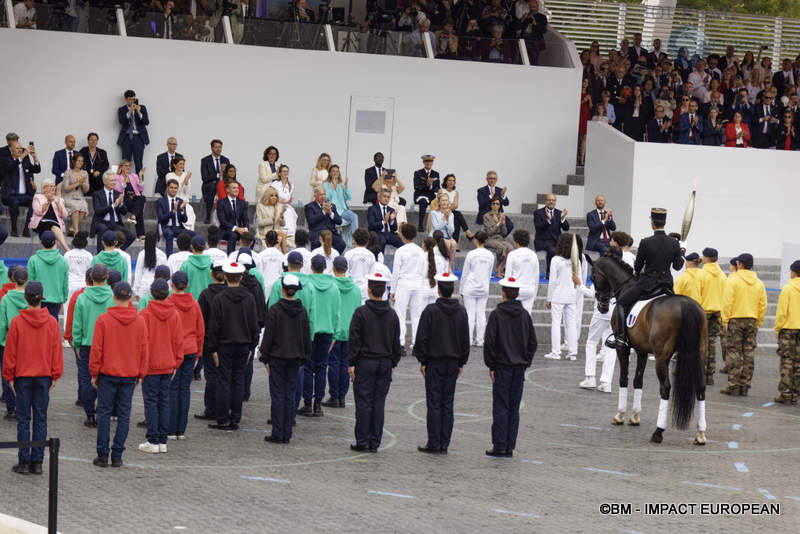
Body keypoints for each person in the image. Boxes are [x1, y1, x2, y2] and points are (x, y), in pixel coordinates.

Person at [4, 281, 62, 475]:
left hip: (22, 376)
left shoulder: (17, 323)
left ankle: (24, 460)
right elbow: (56, 350)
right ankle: (37, 462)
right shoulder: (52, 322)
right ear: (42, 298)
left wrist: (8, 376)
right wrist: (55, 374)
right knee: (40, 418)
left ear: (26, 298)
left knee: (23, 419)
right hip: (44, 375)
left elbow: (10, 353)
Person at [89, 281, 148, 468]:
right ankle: (117, 455)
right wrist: (141, 373)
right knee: (124, 415)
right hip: (129, 373)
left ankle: (103, 454)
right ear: (130, 298)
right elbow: (144, 350)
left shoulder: (104, 320)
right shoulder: (139, 321)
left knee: (104, 414)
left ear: (113, 296)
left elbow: (97, 349)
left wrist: (94, 372)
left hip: (108, 373)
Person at [607, 208, 684, 350]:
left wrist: (636, 272)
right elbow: (678, 266)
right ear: (665, 222)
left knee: (621, 304)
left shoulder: (646, 242)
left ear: (652, 224)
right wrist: (681, 253)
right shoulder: (674, 243)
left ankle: (621, 337)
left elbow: (638, 266)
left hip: (648, 285)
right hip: (666, 285)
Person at [414, 272, 469, 454]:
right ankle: (444, 441)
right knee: (447, 403)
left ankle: (434, 441)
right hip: (453, 363)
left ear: (438, 290)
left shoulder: (431, 311)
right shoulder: (461, 311)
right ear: (452, 289)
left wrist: (423, 360)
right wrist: (461, 362)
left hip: (434, 362)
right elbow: (464, 339)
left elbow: (421, 338)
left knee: (434, 402)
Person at [348, 272, 402, 452]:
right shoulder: (392, 315)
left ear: (369, 290)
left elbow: (354, 340)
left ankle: (362, 440)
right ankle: (374, 441)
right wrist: (393, 362)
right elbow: (396, 341)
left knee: (363, 402)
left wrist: (351, 362)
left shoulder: (361, 313)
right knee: (379, 403)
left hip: (365, 362)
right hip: (384, 362)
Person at [484, 276, 537, 458]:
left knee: (500, 406)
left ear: (503, 293)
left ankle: (499, 445)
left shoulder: (496, 315)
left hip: (502, 367)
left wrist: (491, 365)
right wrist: (525, 362)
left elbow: (490, 342)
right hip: (518, 368)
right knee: (514, 408)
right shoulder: (524, 315)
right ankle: (509, 445)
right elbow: (533, 342)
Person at [206, 261, 259, 431]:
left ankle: (222, 417)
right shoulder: (249, 298)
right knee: (238, 381)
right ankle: (235, 417)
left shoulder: (219, 299)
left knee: (224, 381)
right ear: (241, 277)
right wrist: (252, 345)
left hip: (225, 345)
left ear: (226, 277)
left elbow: (215, 326)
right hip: (243, 345)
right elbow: (253, 324)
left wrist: (212, 348)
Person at [259, 274, 311, 444]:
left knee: (278, 395)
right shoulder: (302, 311)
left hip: (277, 357)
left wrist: (264, 357)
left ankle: (277, 431)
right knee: (290, 395)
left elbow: (269, 336)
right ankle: (287, 432)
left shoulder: (275, 310)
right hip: (295, 358)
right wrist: (304, 358)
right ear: (296, 291)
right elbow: (305, 336)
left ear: (282, 289)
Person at [138, 278, 182, 454]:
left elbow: (140, 343)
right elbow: (178, 341)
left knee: (151, 402)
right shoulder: (175, 314)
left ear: (151, 292)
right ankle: (162, 440)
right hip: (168, 363)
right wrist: (176, 363)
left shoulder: (145, 315)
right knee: (164, 401)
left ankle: (152, 439)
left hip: (150, 364)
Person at [72, 264, 115, 427]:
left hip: (87, 343)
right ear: (107, 278)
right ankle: (103, 412)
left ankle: (90, 414)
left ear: (90, 278)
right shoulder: (112, 297)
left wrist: (76, 343)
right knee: (105, 380)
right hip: (108, 344)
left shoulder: (82, 298)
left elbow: (77, 324)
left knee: (86, 378)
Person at [298, 255, 340, 417]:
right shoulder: (334, 287)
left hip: (310, 330)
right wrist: (335, 334)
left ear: (311, 267)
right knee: (322, 367)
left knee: (308, 367)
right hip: (328, 330)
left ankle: (307, 402)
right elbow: (337, 313)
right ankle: (318, 404)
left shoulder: (307, 285)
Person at [720, 253, 767, 396]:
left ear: (740, 264)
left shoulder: (732, 281)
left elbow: (727, 302)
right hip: (752, 320)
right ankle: (745, 385)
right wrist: (758, 322)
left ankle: (733, 384)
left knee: (734, 351)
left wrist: (725, 320)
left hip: (735, 320)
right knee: (749, 353)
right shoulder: (759, 283)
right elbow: (762, 305)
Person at [166, 271, 204, 439]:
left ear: (171, 284)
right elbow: (200, 330)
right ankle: (181, 428)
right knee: (184, 389)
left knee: (173, 389)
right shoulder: (195, 304)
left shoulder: (168, 303)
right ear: (187, 285)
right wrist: (198, 354)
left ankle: (171, 428)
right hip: (190, 349)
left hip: (174, 350)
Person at [575, 248, 616, 392]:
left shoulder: (602, 272)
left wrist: (579, 284)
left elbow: (592, 293)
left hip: (601, 309)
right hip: (616, 310)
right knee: (612, 346)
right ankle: (606, 382)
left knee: (592, 342)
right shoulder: (621, 273)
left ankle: (590, 377)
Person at [323, 257, 361, 409]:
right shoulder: (356, 289)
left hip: (335, 329)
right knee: (346, 364)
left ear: (333, 268)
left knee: (333, 364)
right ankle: (342, 396)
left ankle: (334, 395)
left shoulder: (331, 286)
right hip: (350, 331)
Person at [193, 261, 226, 422]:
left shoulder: (206, 294)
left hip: (209, 339)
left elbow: (200, 320)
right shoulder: (229, 293)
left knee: (211, 375)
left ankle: (211, 408)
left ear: (211, 274)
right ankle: (224, 407)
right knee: (225, 375)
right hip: (226, 340)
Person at [0, 267, 31, 422]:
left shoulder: (5, 298)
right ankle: (23, 407)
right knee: (23, 375)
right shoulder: (30, 298)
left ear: (11, 279)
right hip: (26, 343)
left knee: (7, 374)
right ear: (26, 280)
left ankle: (11, 408)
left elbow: (2, 323)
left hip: (7, 341)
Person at [390, 224, 426, 348]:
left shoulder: (400, 251)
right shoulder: (420, 251)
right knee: (416, 315)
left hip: (403, 284)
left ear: (402, 235)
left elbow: (395, 272)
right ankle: (416, 343)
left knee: (400, 314)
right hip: (417, 284)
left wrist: (392, 290)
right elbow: (424, 270)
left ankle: (400, 343)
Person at [545, 234, 578, 361]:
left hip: (558, 295)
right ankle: (572, 352)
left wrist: (549, 299)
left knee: (556, 323)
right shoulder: (576, 261)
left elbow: (552, 282)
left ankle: (556, 352)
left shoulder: (556, 260)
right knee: (571, 324)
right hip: (572, 295)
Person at [698, 247, 727, 385]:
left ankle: (701, 373)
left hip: (704, 311)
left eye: (703, 257)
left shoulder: (702, 274)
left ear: (707, 258)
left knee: (701, 343)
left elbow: (698, 294)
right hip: (718, 312)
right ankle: (710, 374)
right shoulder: (722, 274)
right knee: (711, 342)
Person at [461, 231, 494, 347]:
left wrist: (461, 289)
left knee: (470, 314)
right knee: (481, 313)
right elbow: (490, 273)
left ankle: (468, 339)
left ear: (475, 240)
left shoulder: (471, 254)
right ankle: (480, 340)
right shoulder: (490, 255)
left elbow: (465, 273)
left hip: (470, 287)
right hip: (483, 287)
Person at [27, 230, 69, 321]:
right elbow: (65, 282)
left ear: (41, 242)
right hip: (56, 300)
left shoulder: (33, 260)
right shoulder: (62, 261)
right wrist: (63, 298)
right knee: (52, 330)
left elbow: (30, 282)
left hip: (37, 299)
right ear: (56, 242)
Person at [774, 260, 800, 404]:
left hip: (789, 329)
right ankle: (796, 393)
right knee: (798, 363)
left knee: (787, 363)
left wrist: (778, 328)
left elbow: (782, 312)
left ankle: (786, 393)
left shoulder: (788, 288)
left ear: (794, 272)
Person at [1, 141, 38, 237]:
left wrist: (34, 157)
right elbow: (11, 167)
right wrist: (23, 155)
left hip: (23, 195)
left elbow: (37, 169)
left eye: (21, 148)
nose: (20, 150)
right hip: (10, 195)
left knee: (33, 203)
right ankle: (14, 229)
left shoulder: (25, 161)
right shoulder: (5, 160)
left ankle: (26, 229)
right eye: (17, 148)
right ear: (11, 150)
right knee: (15, 202)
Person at [91, 172, 134, 253]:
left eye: (115, 180)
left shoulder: (118, 194)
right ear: (104, 181)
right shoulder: (97, 194)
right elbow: (98, 211)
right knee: (103, 229)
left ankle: (114, 252)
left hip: (115, 223)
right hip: (102, 222)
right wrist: (113, 206)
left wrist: (120, 204)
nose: (114, 182)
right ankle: (100, 255)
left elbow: (124, 212)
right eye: (111, 180)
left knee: (131, 236)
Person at [533, 193, 569, 278]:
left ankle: (564, 274)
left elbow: (566, 228)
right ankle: (549, 272)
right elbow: (538, 228)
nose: (551, 202)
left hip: (557, 241)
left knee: (569, 249)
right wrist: (548, 220)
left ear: (555, 202)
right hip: (543, 240)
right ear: (546, 201)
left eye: (553, 200)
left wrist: (563, 218)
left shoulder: (559, 213)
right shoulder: (538, 213)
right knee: (552, 250)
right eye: (549, 200)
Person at [504, 230, 539, 315]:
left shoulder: (512, 254)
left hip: (516, 290)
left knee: (513, 316)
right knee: (527, 317)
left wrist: (505, 292)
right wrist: (535, 293)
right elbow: (536, 276)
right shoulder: (533, 254)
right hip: (529, 289)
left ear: (516, 242)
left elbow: (508, 275)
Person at [29, 179, 70, 250]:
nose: (53, 188)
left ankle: (53, 256)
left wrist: (58, 204)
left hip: (55, 222)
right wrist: (48, 201)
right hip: (41, 222)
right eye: (50, 186)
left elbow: (64, 215)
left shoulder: (59, 199)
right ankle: (66, 249)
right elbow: (38, 211)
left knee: (53, 229)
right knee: (54, 227)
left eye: (54, 186)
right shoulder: (38, 197)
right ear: (44, 188)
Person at [157, 179, 193, 257]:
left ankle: (191, 258)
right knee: (169, 234)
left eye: (175, 188)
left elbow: (185, 219)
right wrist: (172, 212)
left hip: (178, 228)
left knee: (194, 235)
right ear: (167, 188)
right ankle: (169, 259)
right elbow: (161, 218)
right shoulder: (161, 201)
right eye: (171, 188)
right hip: (167, 227)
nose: (173, 190)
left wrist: (182, 210)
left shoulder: (180, 201)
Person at [116, 90, 150, 173]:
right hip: (127, 138)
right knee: (125, 163)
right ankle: (125, 183)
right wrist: (130, 111)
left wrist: (138, 112)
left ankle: (140, 184)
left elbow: (146, 122)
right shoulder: (121, 109)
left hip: (139, 137)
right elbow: (122, 121)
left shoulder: (142, 108)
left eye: (133, 99)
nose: (132, 101)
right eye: (130, 99)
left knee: (139, 163)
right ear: (126, 99)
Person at [305, 187, 346, 254]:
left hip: (331, 233)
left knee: (342, 244)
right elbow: (311, 221)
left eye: (324, 194)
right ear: (315, 196)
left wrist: (330, 213)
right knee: (317, 244)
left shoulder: (331, 206)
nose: (323, 196)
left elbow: (339, 221)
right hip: (317, 233)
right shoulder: (310, 207)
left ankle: (333, 259)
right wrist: (323, 212)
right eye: (321, 195)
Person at [114, 160, 146, 239]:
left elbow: (141, 189)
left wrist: (140, 177)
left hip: (135, 198)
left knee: (142, 198)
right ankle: (141, 234)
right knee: (139, 210)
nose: (128, 167)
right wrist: (124, 182)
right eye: (126, 166)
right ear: (121, 167)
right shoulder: (117, 177)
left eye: (129, 166)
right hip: (124, 199)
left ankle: (133, 215)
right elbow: (118, 190)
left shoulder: (134, 176)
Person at [200, 139, 229, 224]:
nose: (218, 149)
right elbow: (204, 178)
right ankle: (208, 215)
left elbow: (230, 175)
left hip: (223, 184)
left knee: (234, 187)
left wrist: (225, 173)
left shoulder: (225, 160)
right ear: (212, 148)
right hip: (210, 184)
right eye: (216, 147)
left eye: (220, 147)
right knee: (212, 187)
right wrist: (219, 174)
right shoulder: (205, 160)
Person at [60, 153, 90, 235]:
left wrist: (83, 183)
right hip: (68, 196)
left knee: (84, 206)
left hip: (79, 196)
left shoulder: (85, 173)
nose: (80, 162)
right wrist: (78, 183)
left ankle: (72, 228)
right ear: (73, 161)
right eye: (78, 160)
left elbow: (86, 190)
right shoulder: (68, 172)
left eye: (82, 161)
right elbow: (66, 189)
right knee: (75, 207)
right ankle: (76, 231)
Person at [323, 164, 358, 233]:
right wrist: (333, 187)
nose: (335, 173)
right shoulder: (325, 184)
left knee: (354, 216)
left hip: (343, 210)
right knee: (334, 223)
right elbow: (326, 198)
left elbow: (348, 197)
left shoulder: (341, 184)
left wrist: (346, 186)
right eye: (333, 171)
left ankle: (356, 239)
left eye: (337, 171)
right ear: (330, 173)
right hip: (332, 210)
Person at [133, 232, 168, 300]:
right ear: (156, 241)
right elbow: (165, 274)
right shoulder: (162, 255)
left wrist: (136, 291)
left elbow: (138, 273)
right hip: (158, 287)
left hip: (143, 286)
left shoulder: (142, 254)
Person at [344, 229, 376, 302]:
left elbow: (346, 273)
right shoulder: (371, 255)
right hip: (366, 290)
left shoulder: (348, 254)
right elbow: (372, 275)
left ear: (354, 240)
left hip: (351, 288)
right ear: (367, 241)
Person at [483, 196, 512, 278]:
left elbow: (504, 233)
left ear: (500, 206)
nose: (495, 205)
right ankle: (498, 269)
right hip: (489, 238)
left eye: (497, 204)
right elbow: (489, 232)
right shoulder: (486, 216)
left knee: (510, 248)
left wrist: (503, 223)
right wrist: (498, 223)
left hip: (500, 238)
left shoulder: (501, 216)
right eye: (494, 204)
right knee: (501, 247)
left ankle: (499, 268)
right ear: (491, 205)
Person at [217, 181, 249, 254]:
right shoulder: (221, 203)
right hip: (225, 230)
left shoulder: (242, 203)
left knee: (250, 237)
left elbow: (246, 219)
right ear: (227, 190)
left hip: (239, 230)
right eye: (234, 188)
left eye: (237, 188)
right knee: (233, 235)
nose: (236, 190)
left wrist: (246, 229)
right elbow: (222, 221)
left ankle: (246, 256)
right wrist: (236, 228)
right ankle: (230, 258)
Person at [439, 174, 473, 244]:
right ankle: (467, 232)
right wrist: (450, 205)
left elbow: (456, 205)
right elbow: (441, 204)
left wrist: (448, 205)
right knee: (457, 214)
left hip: (451, 212)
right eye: (450, 180)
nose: (451, 182)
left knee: (456, 221)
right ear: (446, 181)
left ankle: (455, 243)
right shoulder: (441, 191)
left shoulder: (456, 192)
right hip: (442, 212)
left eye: (453, 181)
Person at [64, 231, 93, 309]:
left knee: (67, 309)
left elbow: (64, 272)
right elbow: (90, 273)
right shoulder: (89, 256)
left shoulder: (68, 255)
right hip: (83, 285)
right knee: (82, 310)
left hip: (70, 284)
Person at [367, 189, 402, 253]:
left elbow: (394, 229)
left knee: (401, 241)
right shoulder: (372, 209)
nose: (386, 199)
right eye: (384, 196)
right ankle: (380, 260)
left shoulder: (391, 210)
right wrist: (384, 222)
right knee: (382, 240)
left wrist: (391, 220)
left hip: (389, 233)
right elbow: (371, 226)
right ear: (379, 198)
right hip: (377, 233)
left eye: (388, 197)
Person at [270, 165, 298, 244]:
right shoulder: (275, 184)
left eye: (287, 171)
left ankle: (289, 236)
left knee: (290, 212)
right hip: (276, 205)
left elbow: (289, 198)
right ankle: (282, 234)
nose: (286, 173)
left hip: (286, 206)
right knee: (284, 212)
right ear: (279, 173)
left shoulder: (291, 185)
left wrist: (288, 201)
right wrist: (282, 202)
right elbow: (271, 196)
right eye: (284, 171)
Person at [429, 194, 457, 270]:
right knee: (447, 243)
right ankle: (444, 266)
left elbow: (452, 230)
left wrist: (447, 219)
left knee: (454, 243)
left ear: (448, 202)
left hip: (447, 236)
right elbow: (436, 227)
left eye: (446, 200)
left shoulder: (451, 214)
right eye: (443, 200)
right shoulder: (434, 213)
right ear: (439, 202)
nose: (444, 202)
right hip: (436, 235)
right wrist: (444, 217)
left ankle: (449, 267)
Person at [180, 235, 212, 300]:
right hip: (208, 302)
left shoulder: (185, 265)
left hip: (190, 303)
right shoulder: (212, 264)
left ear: (191, 246)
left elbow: (181, 286)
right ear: (205, 247)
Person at [413, 155, 440, 232]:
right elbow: (416, 186)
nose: (428, 163)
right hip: (420, 194)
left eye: (430, 161)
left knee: (440, 202)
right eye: (426, 161)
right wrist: (427, 184)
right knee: (423, 202)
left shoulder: (436, 174)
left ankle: (437, 225)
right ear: (423, 162)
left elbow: (437, 187)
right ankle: (421, 225)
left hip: (431, 195)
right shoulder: (418, 173)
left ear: (432, 162)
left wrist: (431, 186)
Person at [256, 186, 286, 252]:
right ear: (267, 196)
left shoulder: (278, 206)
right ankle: (284, 255)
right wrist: (271, 219)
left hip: (276, 232)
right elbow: (260, 222)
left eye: (276, 196)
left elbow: (283, 224)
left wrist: (281, 216)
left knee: (280, 237)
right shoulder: (261, 206)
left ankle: (275, 253)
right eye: (272, 195)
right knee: (282, 234)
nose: (274, 197)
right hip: (265, 231)